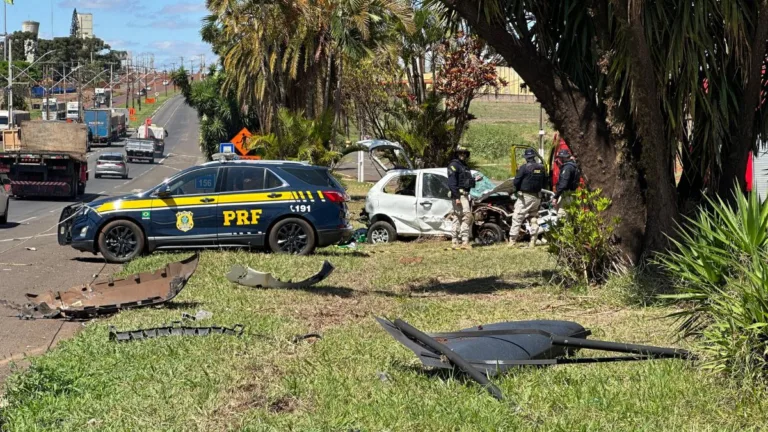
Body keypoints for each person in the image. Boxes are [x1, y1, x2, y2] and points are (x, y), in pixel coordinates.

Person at [509, 148, 546, 247]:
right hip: (537, 197)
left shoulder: (524, 168)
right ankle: (533, 240)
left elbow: (516, 181)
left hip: (525, 197)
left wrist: (516, 190)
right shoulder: (542, 168)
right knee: (533, 218)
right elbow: (545, 182)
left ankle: (512, 241)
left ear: (526, 158)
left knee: (517, 217)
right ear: (534, 157)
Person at [447, 146, 475, 249]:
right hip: (459, 196)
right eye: (460, 153)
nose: (462, 155)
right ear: (457, 154)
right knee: (467, 216)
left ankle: (456, 241)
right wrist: (457, 197)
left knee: (458, 217)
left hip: (466, 195)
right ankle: (464, 241)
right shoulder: (453, 165)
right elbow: (452, 183)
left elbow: (466, 181)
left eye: (464, 153)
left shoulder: (464, 166)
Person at [552, 149, 580, 219]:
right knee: (571, 217)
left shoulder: (567, 168)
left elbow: (563, 184)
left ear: (563, 157)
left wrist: (556, 197)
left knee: (562, 217)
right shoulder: (574, 166)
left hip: (566, 196)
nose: (559, 160)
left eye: (560, 158)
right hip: (573, 194)